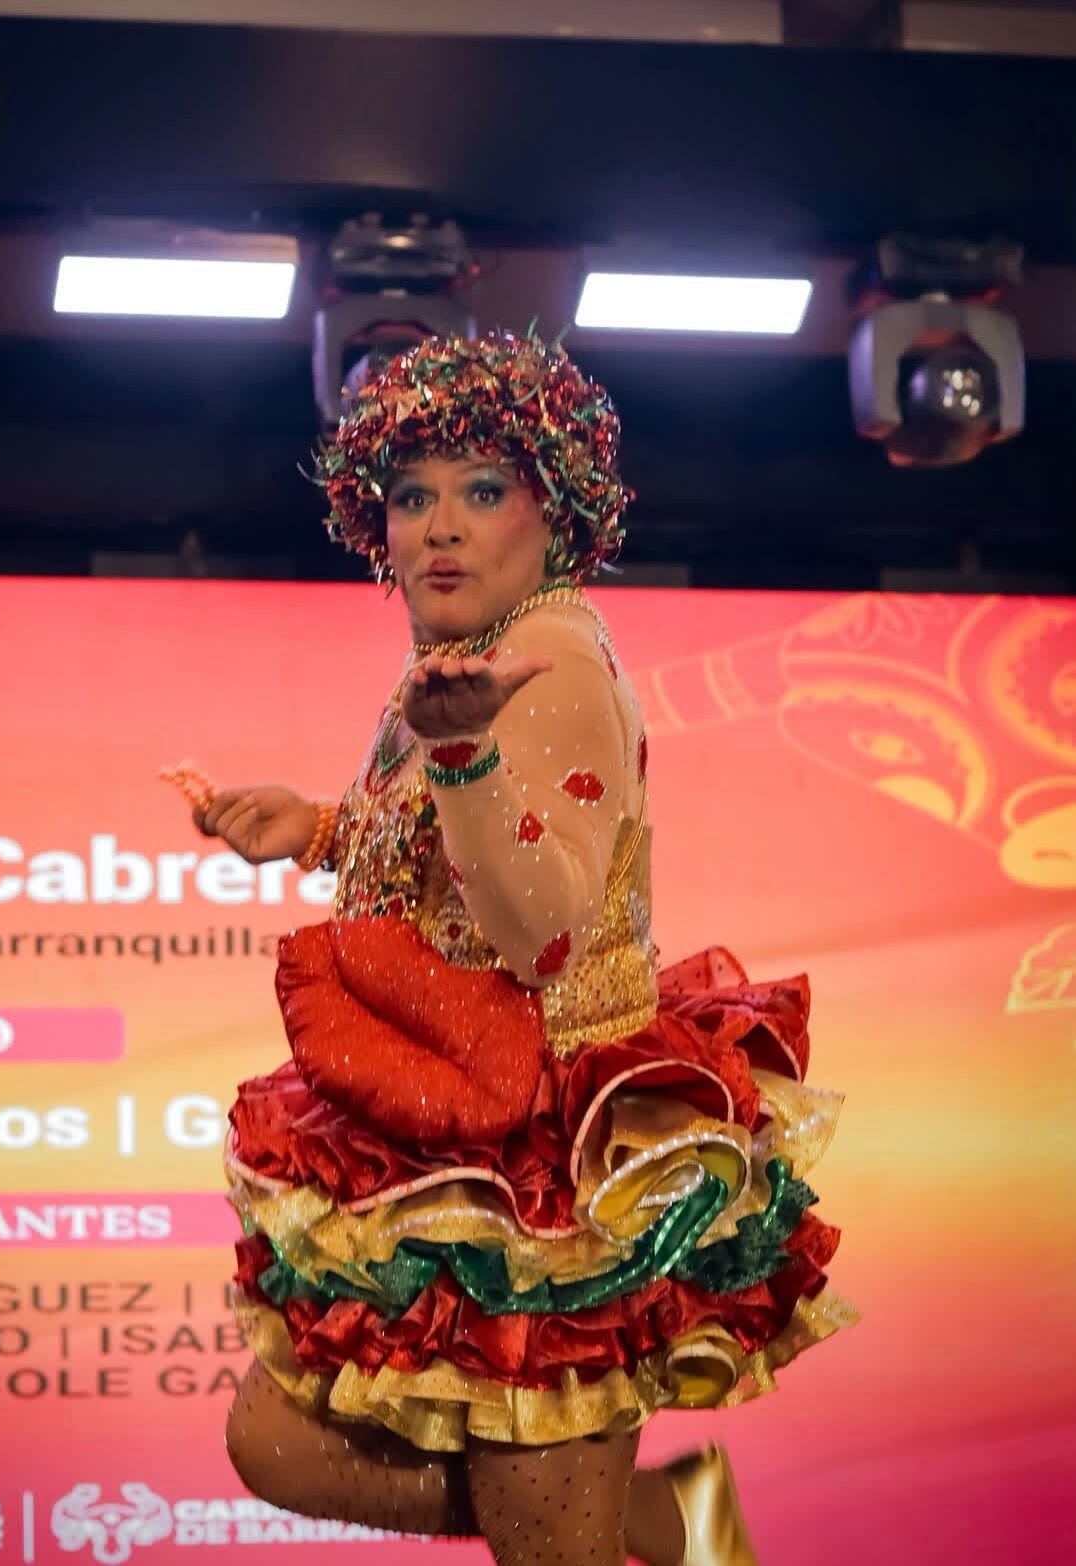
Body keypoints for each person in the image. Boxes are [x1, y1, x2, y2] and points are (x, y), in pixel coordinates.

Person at [163, 331, 855, 1566]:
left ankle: (664, 1522)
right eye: (412, 496)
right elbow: (449, 870)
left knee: (549, 1550)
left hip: (546, 1160)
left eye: (483, 492)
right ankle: (671, 1517)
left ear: (559, 512)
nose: (440, 526)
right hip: (444, 1113)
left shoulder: (556, 661)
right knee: (277, 1441)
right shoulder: (455, 661)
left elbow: (543, 932)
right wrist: (318, 829)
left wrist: (466, 753)